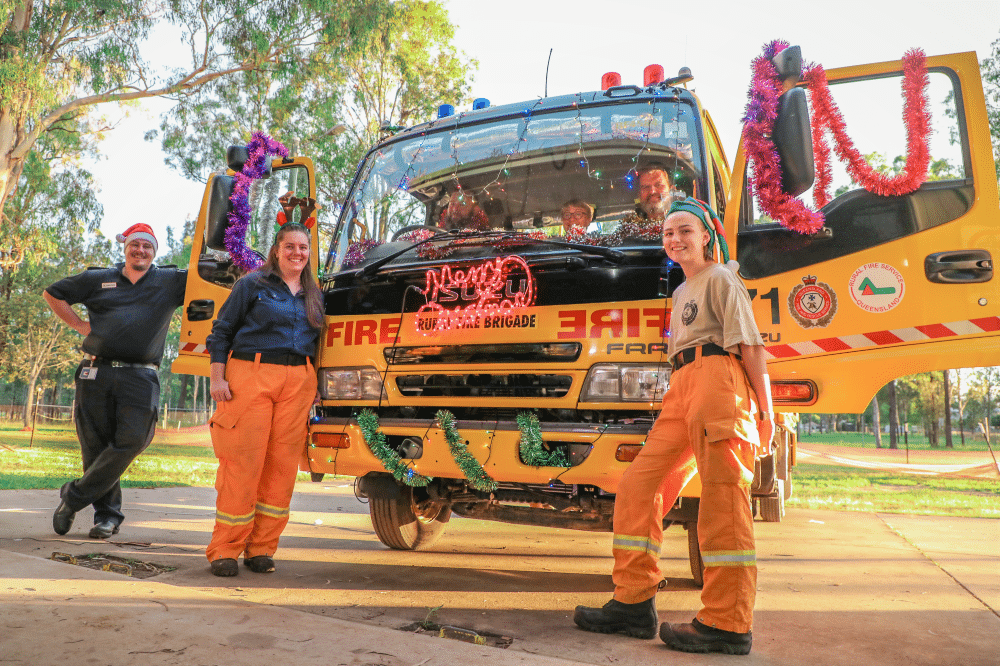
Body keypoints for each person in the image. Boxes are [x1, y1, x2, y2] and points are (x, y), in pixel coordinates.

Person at [573, 198, 773, 656]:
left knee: (723, 498)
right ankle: (632, 602)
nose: (675, 239)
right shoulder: (682, 291)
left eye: (685, 230)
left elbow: (752, 347)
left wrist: (766, 411)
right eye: (667, 233)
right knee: (638, 487)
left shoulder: (722, 278)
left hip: (718, 382)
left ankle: (727, 622)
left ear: (706, 236)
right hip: (681, 386)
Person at [43, 223, 187, 539]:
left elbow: (214, 280)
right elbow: (54, 293)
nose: (140, 251)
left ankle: (73, 496)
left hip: (141, 375)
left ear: (155, 252)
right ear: (126, 248)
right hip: (95, 372)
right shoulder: (98, 279)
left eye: (147, 246)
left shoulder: (170, 281)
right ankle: (107, 517)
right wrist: (79, 324)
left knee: (134, 440)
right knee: (95, 445)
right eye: (135, 245)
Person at [205, 221, 322, 577]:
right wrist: (217, 376)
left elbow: (318, 342)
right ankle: (225, 548)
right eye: (290, 246)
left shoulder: (313, 293)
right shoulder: (251, 284)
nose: (297, 253)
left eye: (303, 248)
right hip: (251, 375)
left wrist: (315, 384)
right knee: (243, 463)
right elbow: (221, 331)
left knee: (282, 467)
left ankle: (261, 548)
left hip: (298, 381)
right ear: (276, 250)